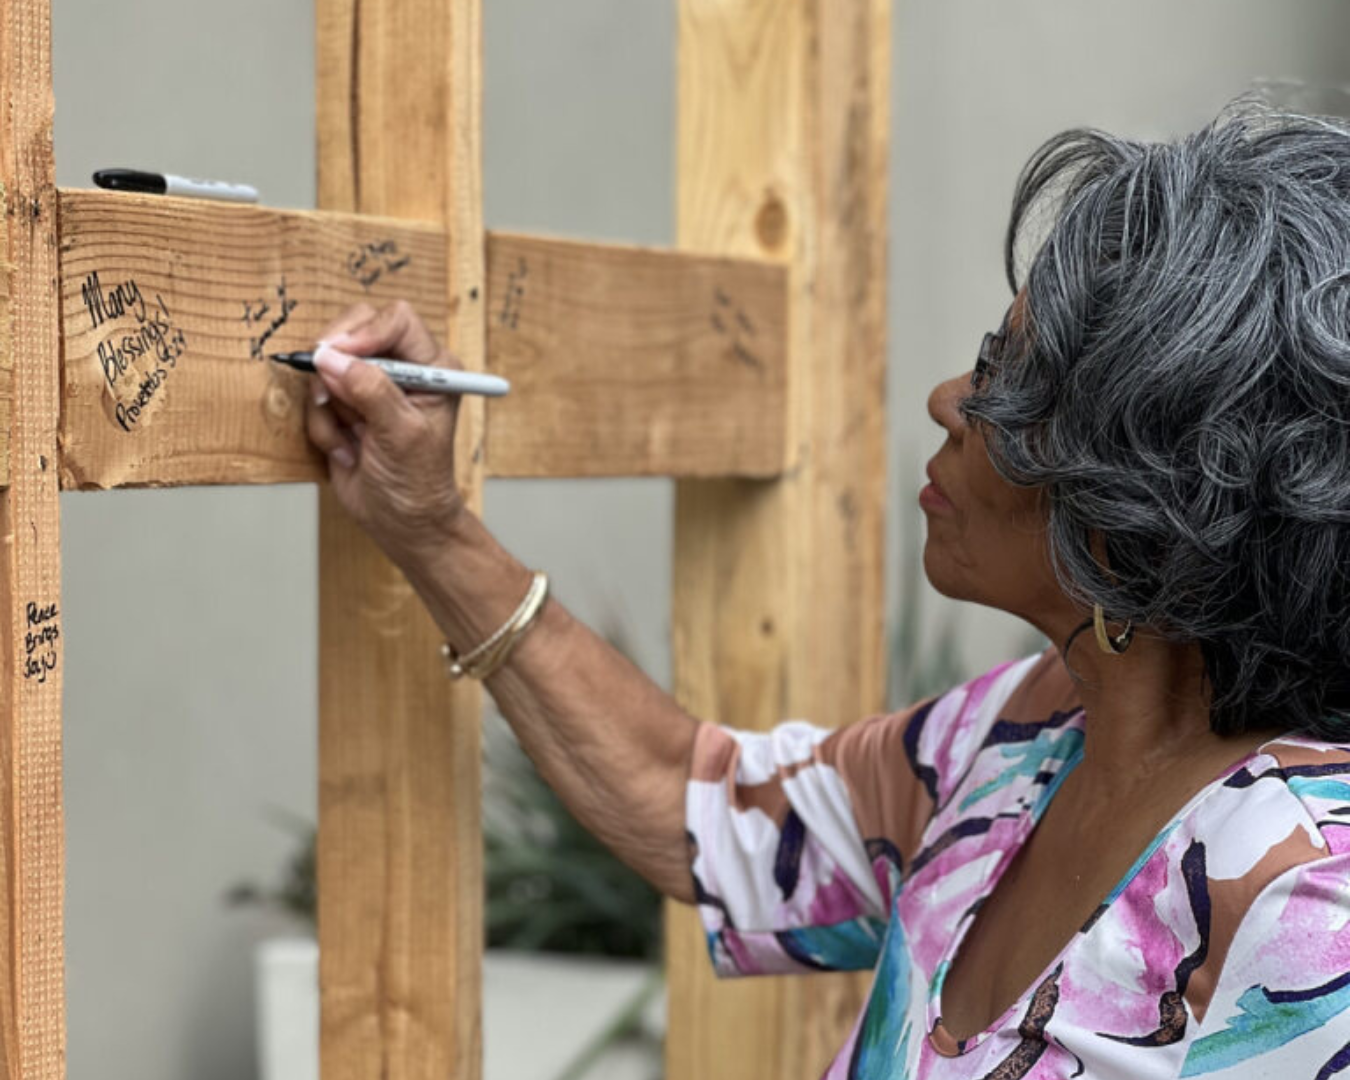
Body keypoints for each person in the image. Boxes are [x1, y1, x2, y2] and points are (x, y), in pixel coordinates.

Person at [303, 104, 1350, 1079]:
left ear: (1146, 498)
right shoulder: (1026, 738)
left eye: (1006, 378)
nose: (951, 400)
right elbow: (703, 812)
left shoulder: (1308, 894)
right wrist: (429, 525)